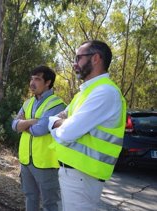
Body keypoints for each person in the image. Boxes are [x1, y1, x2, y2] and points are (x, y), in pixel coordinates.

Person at [48, 40, 126, 210]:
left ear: (96, 58)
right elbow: (58, 119)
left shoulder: (105, 92)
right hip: (75, 173)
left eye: (78, 58)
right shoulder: (86, 92)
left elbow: (67, 132)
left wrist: (56, 123)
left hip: (83, 175)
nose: (74, 64)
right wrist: (57, 122)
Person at [12, 65, 66, 211]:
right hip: (26, 161)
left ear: (48, 82)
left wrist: (24, 124)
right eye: (31, 79)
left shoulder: (56, 104)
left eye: (37, 79)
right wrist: (32, 121)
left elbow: (40, 130)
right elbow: (14, 125)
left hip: (46, 163)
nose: (32, 83)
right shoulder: (28, 102)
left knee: (50, 204)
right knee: (30, 197)